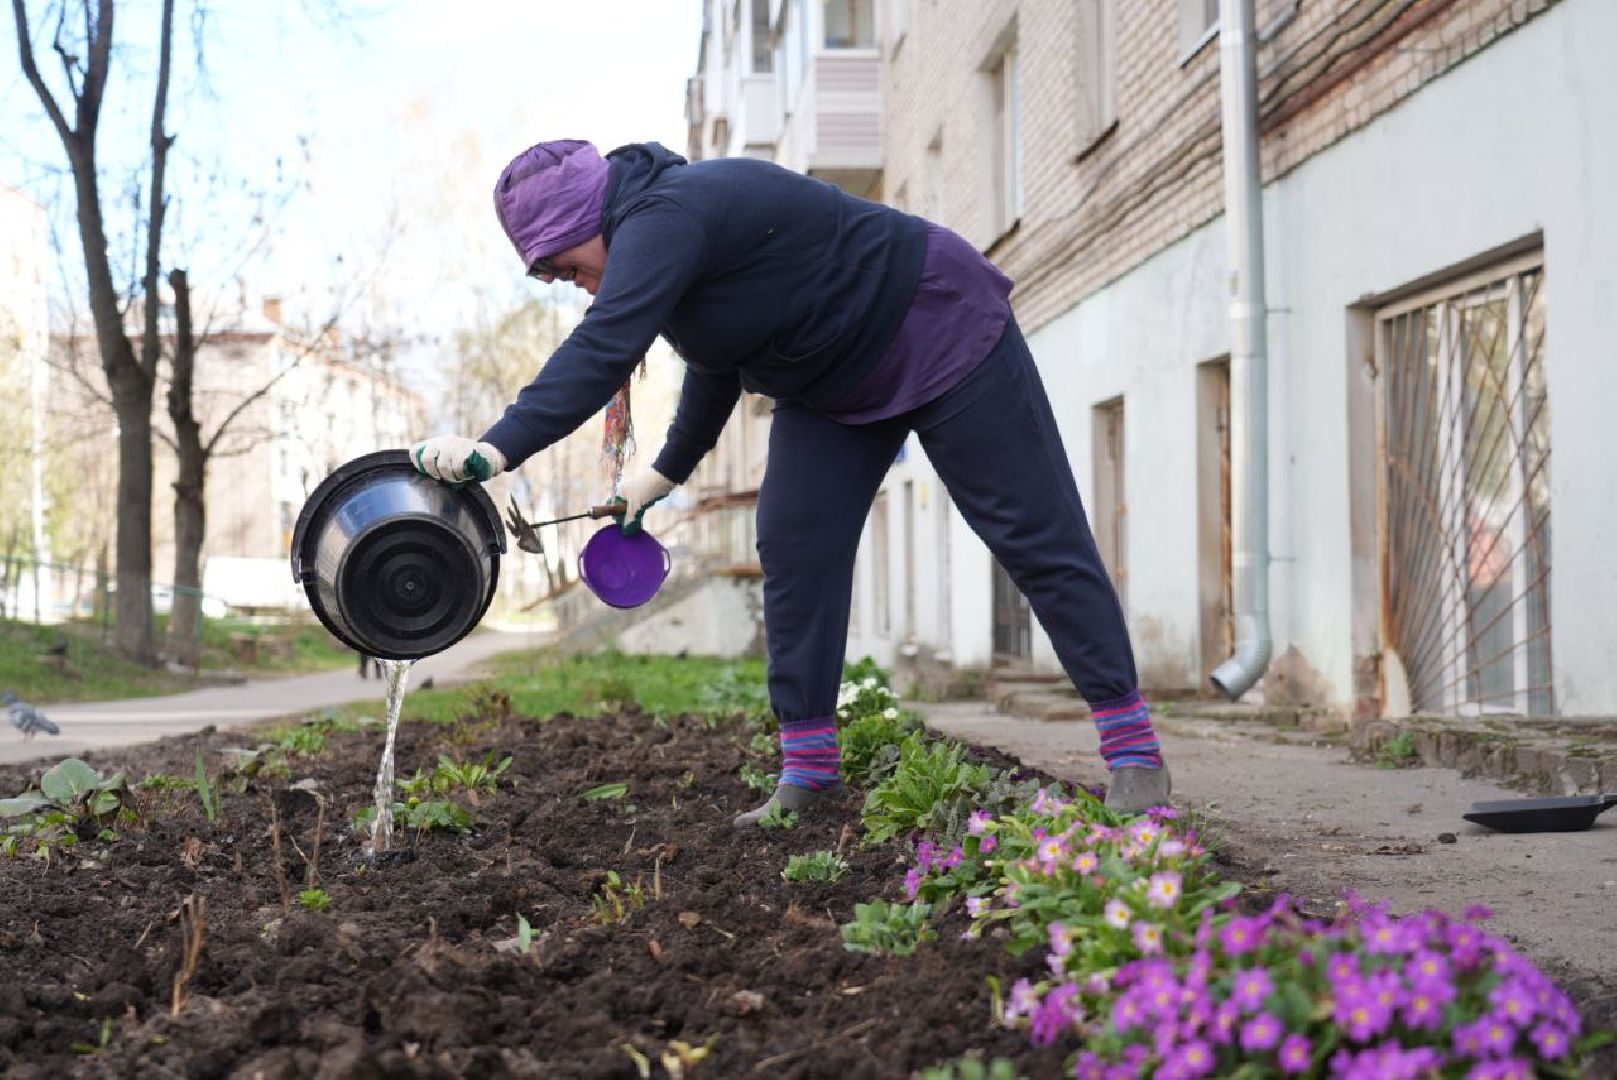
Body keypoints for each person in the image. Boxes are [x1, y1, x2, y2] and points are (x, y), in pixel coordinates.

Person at [410, 139, 1171, 827]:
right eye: (548, 274)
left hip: (933, 321)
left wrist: (498, 448)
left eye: (563, 263)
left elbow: (603, 347)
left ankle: (1132, 748)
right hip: (832, 387)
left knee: (1029, 529)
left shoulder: (668, 213)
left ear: (590, 215)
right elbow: (716, 362)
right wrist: (664, 473)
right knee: (794, 543)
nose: (566, 282)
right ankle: (808, 770)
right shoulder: (657, 247)